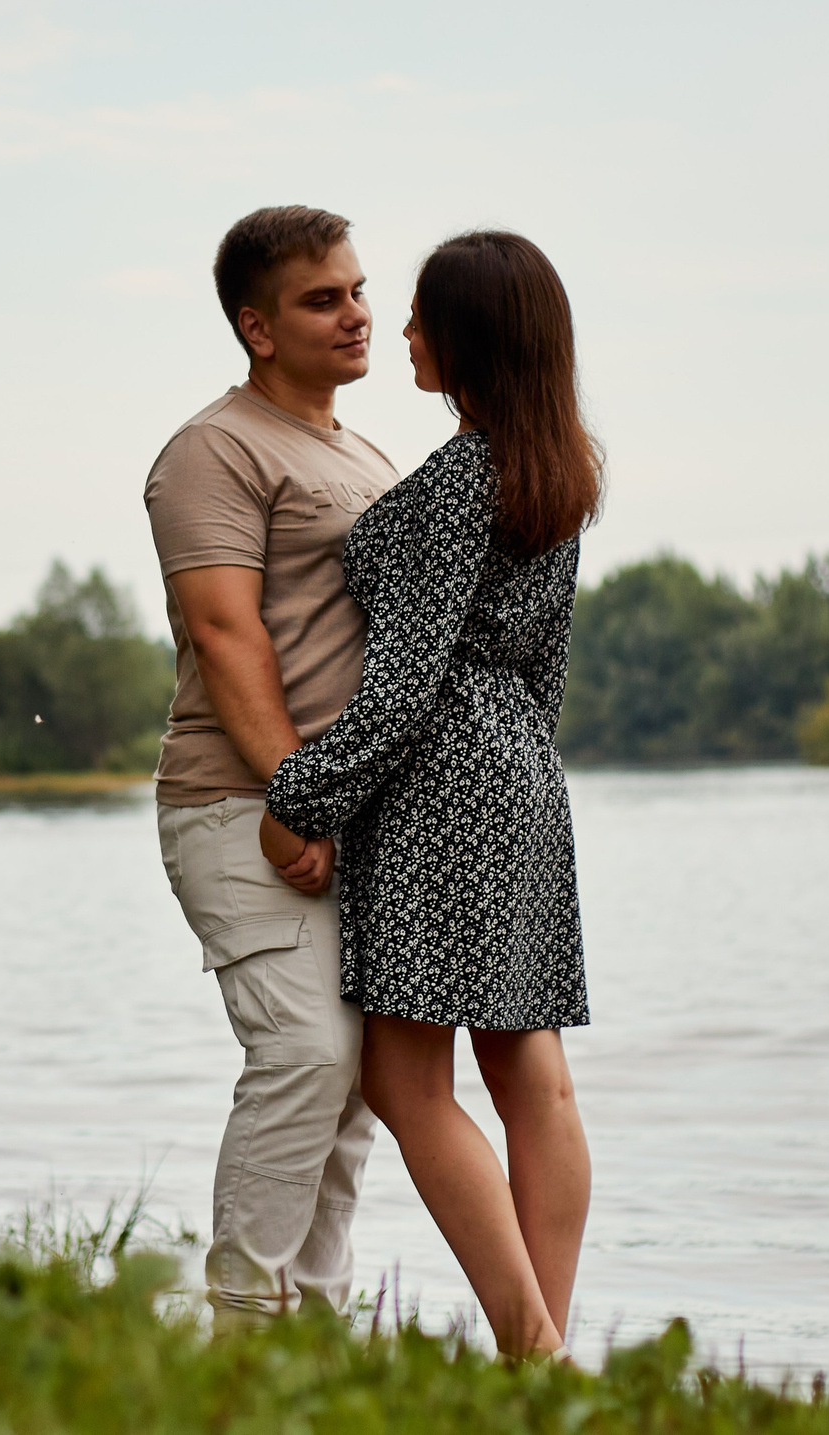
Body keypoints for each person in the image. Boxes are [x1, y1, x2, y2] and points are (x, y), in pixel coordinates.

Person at [258, 229, 602, 1363]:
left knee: (405, 1080)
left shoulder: (458, 483)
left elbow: (403, 690)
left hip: (439, 780)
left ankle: (532, 1350)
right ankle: (541, 1360)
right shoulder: (557, 470)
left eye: (418, 315)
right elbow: (544, 665)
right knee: (531, 1074)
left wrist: (301, 794)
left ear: (470, 335)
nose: (399, 330)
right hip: (524, 772)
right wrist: (519, 780)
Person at [143, 205, 400, 1328]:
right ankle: (244, 1329)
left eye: (356, 290)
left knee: (356, 1090)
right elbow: (224, 632)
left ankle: (317, 1336)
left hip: (346, 813)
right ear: (258, 327)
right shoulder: (214, 451)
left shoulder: (365, 455)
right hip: (243, 802)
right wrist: (301, 795)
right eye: (321, 299)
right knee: (304, 1055)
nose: (355, 314)